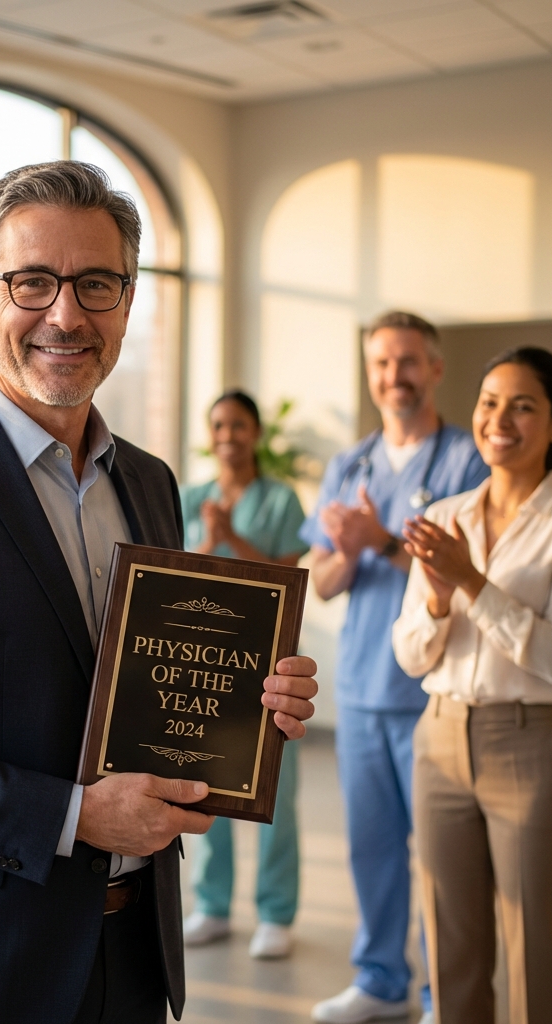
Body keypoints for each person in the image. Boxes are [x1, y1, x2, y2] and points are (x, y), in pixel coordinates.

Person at [0, 160, 319, 1024]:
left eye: (96, 284)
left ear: (127, 301)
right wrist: (73, 816)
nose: (66, 314)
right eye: (32, 282)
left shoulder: (149, 483)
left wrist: (247, 706)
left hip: (132, 952)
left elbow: (143, 692)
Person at [301, 311, 488, 1024]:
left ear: (435, 369)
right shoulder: (350, 466)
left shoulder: (468, 461)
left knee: (444, 858)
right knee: (372, 848)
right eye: (382, 363)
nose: (394, 376)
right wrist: (349, 551)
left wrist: (378, 540)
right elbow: (319, 579)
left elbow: (478, 573)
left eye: (408, 361)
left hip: (438, 692)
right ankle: (380, 981)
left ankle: (446, 994)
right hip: (361, 689)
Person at [393, 347, 552, 1024]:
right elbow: (411, 653)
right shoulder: (446, 516)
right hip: (439, 738)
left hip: (532, 746)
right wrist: (440, 600)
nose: (500, 419)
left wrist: (470, 581)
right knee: (452, 948)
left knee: (537, 947)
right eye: (490, 403)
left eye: (523, 405)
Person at [179, 389, 308, 958]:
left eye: (238, 426)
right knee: (207, 787)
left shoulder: (281, 501)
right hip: (207, 664)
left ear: (256, 434)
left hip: (270, 668)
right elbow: (175, 573)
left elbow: (291, 573)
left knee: (275, 790)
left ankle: (276, 913)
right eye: (218, 426)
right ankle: (211, 904)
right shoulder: (190, 497)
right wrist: (211, 538)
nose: (227, 435)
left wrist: (232, 537)